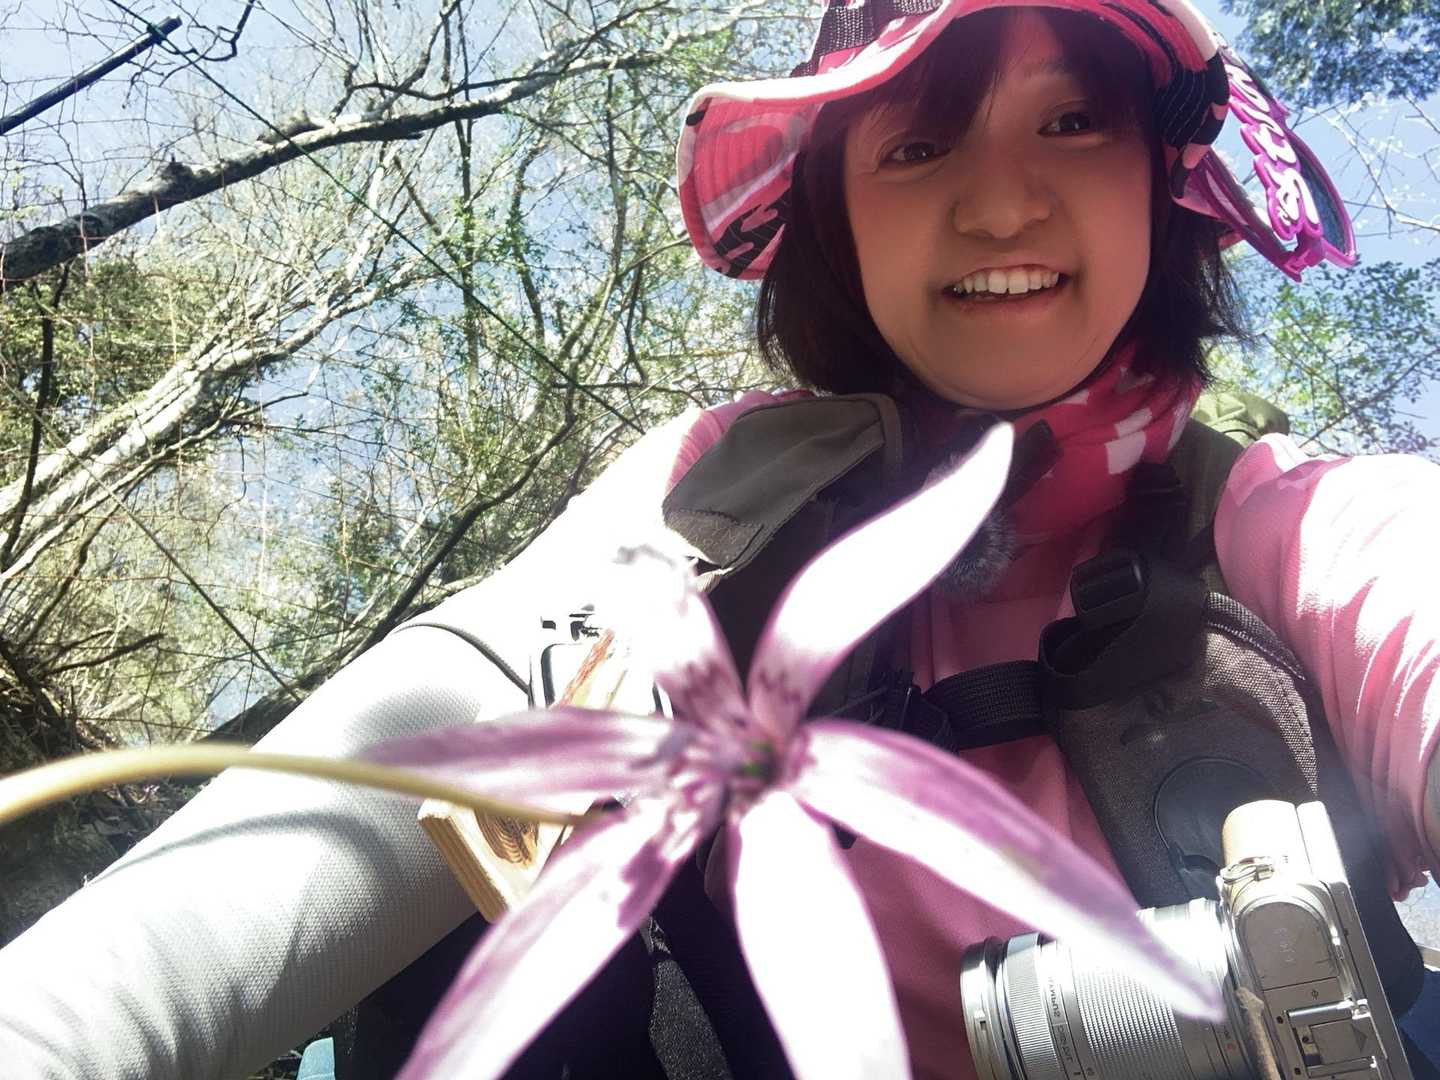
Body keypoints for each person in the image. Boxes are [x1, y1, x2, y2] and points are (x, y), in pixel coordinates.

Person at [1, 1, 1437, 1078]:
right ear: (838, 219)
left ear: (1157, 177)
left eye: (1075, 123)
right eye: (916, 142)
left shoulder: (1289, 528)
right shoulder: (725, 497)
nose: (1001, 202)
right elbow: (462, 708)